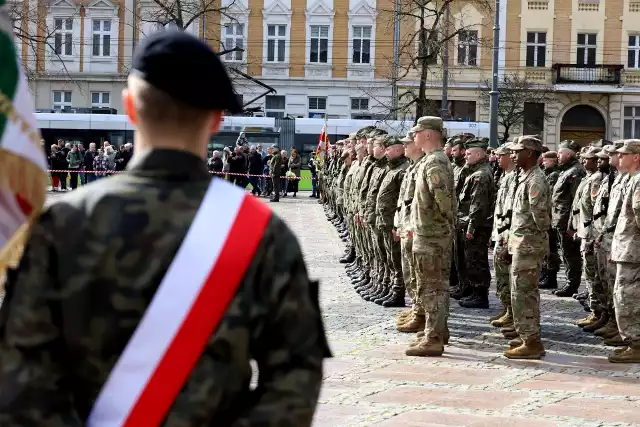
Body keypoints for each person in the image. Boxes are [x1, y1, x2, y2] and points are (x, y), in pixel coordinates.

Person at [0, 30, 330, 425]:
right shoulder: (263, 233)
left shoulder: (63, 222)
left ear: (129, 108)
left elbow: (20, 376)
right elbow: (297, 373)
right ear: (217, 119)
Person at [505, 135, 551, 359]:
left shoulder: (536, 180)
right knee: (519, 292)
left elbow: (541, 218)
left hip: (529, 246)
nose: (512, 155)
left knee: (525, 293)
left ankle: (531, 341)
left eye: (517, 151)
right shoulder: (525, 177)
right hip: (521, 244)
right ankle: (526, 335)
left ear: (530, 153)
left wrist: (530, 243)